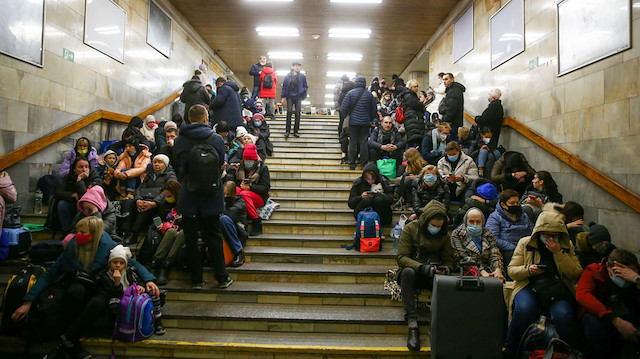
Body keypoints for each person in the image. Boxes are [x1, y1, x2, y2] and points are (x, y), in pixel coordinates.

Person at [11, 217, 159, 359]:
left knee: (98, 303)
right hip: (78, 286)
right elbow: (50, 273)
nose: (77, 235)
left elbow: (132, 263)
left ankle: (66, 342)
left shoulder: (109, 246)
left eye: (82, 232)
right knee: (76, 291)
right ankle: (72, 342)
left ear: (94, 234)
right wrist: (28, 302)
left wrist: (149, 279)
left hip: (100, 287)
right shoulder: (72, 247)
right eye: (77, 231)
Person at [504, 212, 583, 357]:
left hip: (556, 287)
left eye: (555, 235)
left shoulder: (566, 245)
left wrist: (558, 253)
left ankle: (569, 352)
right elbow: (512, 271)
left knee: (563, 315)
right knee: (524, 309)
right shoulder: (525, 243)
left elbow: (575, 272)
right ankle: (510, 351)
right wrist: (529, 270)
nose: (550, 239)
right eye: (546, 235)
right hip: (528, 284)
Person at [174, 104, 233, 290]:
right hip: (211, 194)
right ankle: (222, 278)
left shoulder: (179, 140)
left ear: (189, 118)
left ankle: (197, 280)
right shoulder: (215, 139)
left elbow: (178, 168)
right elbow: (220, 164)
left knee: (191, 238)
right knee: (214, 236)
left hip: (189, 195)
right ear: (206, 118)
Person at [396, 200, 454, 351]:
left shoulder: (444, 234)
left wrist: (445, 269)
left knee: (446, 281)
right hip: (414, 270)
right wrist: (422, 268)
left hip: (434, 273)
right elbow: (402, 257)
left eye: (439, 226)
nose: (436, 228)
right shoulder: (411, 228)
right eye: (433, 225)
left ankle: (440, 326)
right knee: (407, 273)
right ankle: (412, 324)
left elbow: (449, 260)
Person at [576, 248, 640, 359]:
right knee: (590, 320)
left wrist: (637, 279)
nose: (623, 277)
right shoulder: (595, 271)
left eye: (627, 273)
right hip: (605, 317)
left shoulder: (637, 275)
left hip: (632, 315)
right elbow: (583, 295)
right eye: (618, 272)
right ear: (608, 267)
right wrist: (615, 320)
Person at [96, 244, 165, 335]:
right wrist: (117, 282)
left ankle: (157, 321)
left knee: (153, 291)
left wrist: (140, 286)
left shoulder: (129, 271)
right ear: (109, 263)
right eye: (115, 262)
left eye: (121, 263)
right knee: (114, 303)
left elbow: (138, 281)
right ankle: (124, 325)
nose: (118, 265)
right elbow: (113, 294)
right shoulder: (104, 275)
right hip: (121, 299)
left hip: (134, 296)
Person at [119, 154, 176, 245]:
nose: (156, 164)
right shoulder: (150, 174)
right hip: (144, 199)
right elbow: (139, 189)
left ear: (165, 164)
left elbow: (167, 192)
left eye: (160, 162)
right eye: (155, 162)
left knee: (144, 208)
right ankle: (126, 231)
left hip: (158, 205)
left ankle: (134, 234)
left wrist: (154, 203)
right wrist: (138, 200)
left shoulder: (170, 176)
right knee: (127, 203)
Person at [485, 189, 533, 271]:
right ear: (503, 205)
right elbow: (493, 239)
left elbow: (532, 232)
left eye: (517, 203)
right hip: (508, 250)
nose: (515, 205)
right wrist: (515, 248)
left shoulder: (524, 215)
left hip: (526, 248)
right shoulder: (494, 217)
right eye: (512, 203)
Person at [450, 207, 504, 281]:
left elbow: (494, 254)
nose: (475, 225)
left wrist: (497, 269)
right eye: (471, 222)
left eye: (478, 222)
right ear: (466, 222)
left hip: (487, 271)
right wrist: (481, 271)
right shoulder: (457, 234)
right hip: (465, 271)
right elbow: (462, 256)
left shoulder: (488, 234)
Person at [55, 157, 102, 233]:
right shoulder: (70, 177)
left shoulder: (95, 178)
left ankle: (81, 231)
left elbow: (85, 196)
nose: (84, 169)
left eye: (86, 167)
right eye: (81, 167)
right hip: (73, 202)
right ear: (74, 169)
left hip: (90, 204)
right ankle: (66, 231)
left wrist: (79, 180)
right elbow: (58, 192)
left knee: (81, 207)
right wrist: (72, 195)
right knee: (62, 204)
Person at [150, 179, 183, 285]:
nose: (167, 198)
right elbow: (158, 218)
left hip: (182, 230)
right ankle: (156, 262)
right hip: (166, 231)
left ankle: (166, 264)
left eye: (169, 196)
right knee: (171, 232)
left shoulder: (184, 203)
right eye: (166, 196)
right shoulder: (163, 203)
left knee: (182, 233)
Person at [233, 143, 270, 236]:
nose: (248, 161)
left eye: (250, 160)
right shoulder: (240, 168)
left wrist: (250, 187)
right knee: (236, 190)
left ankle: (256, 221)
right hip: (243, 192)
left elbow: (265, 188)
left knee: (244, 194)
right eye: (246, 159)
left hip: (258, 196)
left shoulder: (262, 168)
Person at [342, 76, 377, 170]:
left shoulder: (350, 93)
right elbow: (374, 110)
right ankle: (363, 163)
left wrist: (349, 114)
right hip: (365, 122)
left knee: (352, 142)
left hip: (353, 122)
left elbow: (344, 108)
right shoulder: (369, 95)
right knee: (363, 142)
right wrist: (369, 118)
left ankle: (352, 163)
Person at [221, 181, 247, 267]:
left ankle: (239, 251)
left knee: (224, 219)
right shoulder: (220, 200)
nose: (225, 196)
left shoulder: (240, 202)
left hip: (238, 230)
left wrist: (221, 213)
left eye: (228, 194)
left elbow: (232, 213)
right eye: (224, 193)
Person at [280, 61, 308, 138]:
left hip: (298, 97)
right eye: (296, 66)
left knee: (298, 113)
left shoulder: (302, 76)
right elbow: (284, 87)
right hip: (290, 96)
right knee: (289, 112)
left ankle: (296, 131)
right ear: (292, 67)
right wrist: (283, 97)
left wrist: (303, 91)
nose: (297, 67)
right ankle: (287, 131)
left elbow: (306, 86)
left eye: (298, 66)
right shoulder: (287, 76)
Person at [397, 80, 426, 148]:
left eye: (417, 86)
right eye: (415, 86)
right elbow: (418, 106)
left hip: (412, 120)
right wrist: (422, 102)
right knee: (414, 141)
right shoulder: (409, 95)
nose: (417, 88)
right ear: (410, 87)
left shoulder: (407, 95)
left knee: (412, 140)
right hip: (413, 120)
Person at [439, 73, 465, 141]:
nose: (444, 81)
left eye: (446, 79)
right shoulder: (452, 90)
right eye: (443, 79)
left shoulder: (453, 90)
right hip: (454, 122)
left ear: (452, 79)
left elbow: (452, 108)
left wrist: (444, 120)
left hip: (452, 122)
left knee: (451, 143)